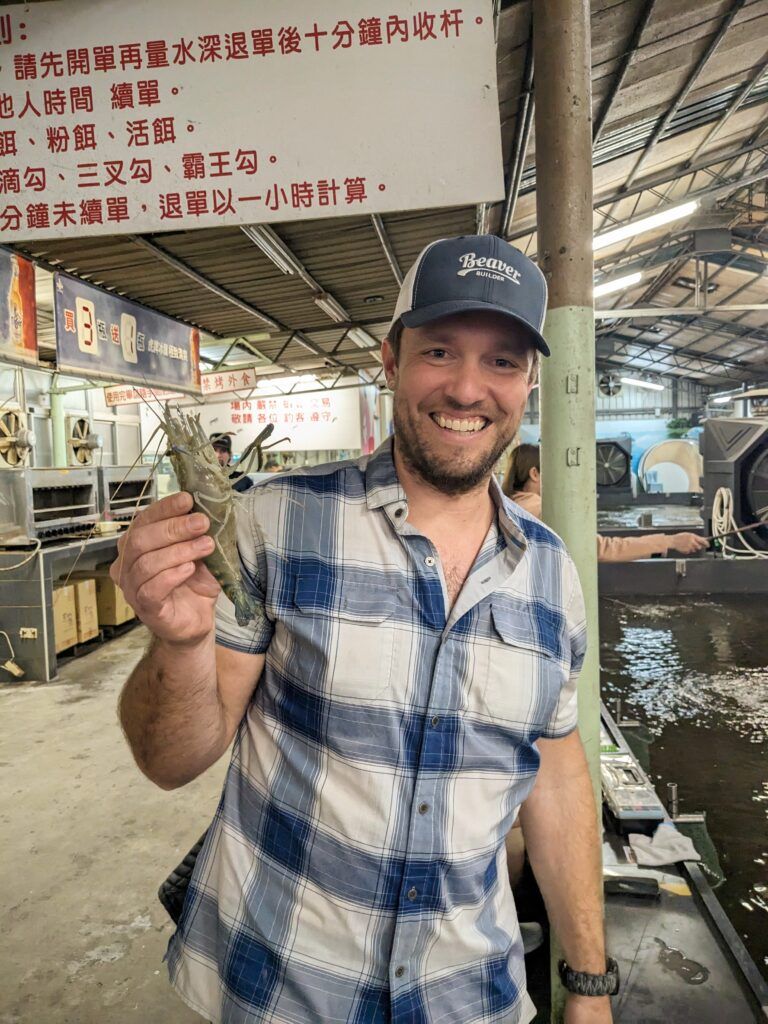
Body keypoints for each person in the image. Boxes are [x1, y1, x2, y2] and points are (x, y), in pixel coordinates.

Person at [114, 235, 617, 1024]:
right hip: (278, 989)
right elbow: (169, 762)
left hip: (470, 998)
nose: (465, 387)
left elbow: (554, 781)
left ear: (528, 385)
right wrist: (178, 644)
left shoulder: (552, 574)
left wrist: (587, 986)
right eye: (440, 350)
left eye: (502, 362)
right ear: (390, 360)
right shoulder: (274, 522)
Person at [503, 443, 708, 560]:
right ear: (535, 474)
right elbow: (600, 549)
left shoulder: (509, 505)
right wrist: (671, 541)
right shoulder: (539, 511)